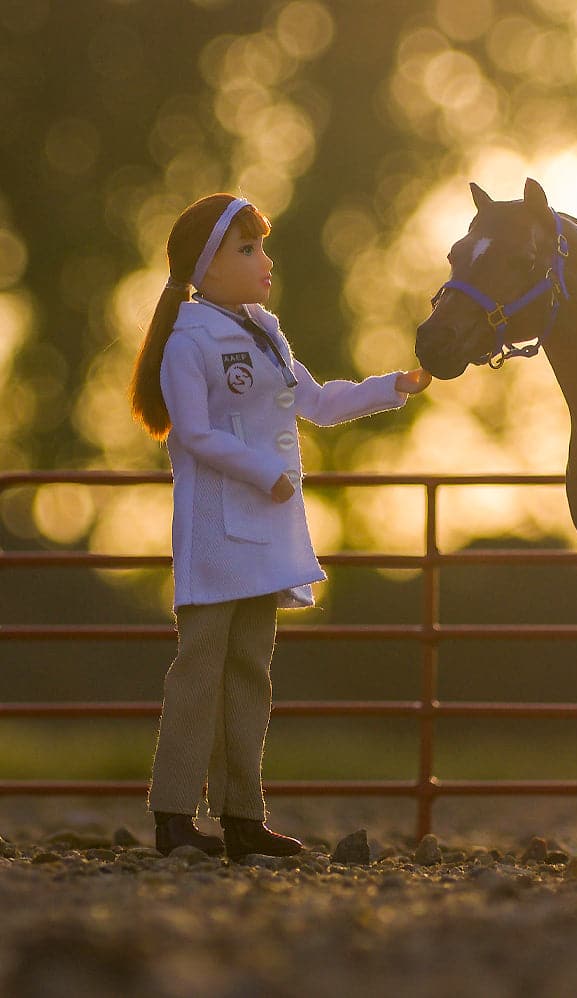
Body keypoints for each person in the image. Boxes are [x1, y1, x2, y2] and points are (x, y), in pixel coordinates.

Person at [129, 193, 431, 859]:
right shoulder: (189, 340)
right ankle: (174, 813)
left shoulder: (265, 332)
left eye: (260, 247)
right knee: (199, 670)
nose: (264, 261)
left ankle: (242, 814)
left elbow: (318, 403)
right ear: (206, 267)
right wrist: (260, 469)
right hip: (216, 530)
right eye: (246, 249)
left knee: (250, 674)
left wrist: (392, 386)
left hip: (264, 533)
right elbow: (196, 433)